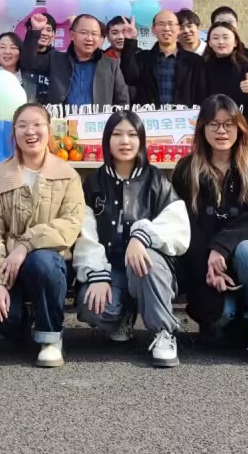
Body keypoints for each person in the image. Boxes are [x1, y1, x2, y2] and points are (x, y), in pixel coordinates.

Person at [172, 95, 248, 363]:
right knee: (221, 315)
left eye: (228, 124)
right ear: (202, 128)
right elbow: (185, 222)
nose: (221, 131)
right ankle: (230, 314)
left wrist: (220, 248)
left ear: (239, 127)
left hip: (245, 249)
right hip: (201, 258)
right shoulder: (187, 169)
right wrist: (209, 262)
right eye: (213, 124)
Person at [74, 111, 189, 367]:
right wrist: (97, 275)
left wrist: (142, 236)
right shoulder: (93, 183)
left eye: (132, 135)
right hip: (111, 268)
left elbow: (178, 227)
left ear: (141, 140)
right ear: (107, 140)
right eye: (117, 134)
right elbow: (85, 235)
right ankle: (123, 313)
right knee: (93, 308)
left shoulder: (157, 180)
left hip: (148, 269)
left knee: (146, 261)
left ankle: (163, 332)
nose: (124, 141)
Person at [0, 103, 85, 368]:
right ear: (14, 132)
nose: (30, 131)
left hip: (51, 266)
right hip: (8, 268)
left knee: (42, 261)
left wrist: (25, 245)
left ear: (49, 129)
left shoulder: (67, 175)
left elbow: (70, 224)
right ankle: (27, 324)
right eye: (22, 125)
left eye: (37, 124)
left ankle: (50, 337)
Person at [20, 13, 130, 109]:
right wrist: (35, 31)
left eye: (94, 34)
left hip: (98, 124)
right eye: (84, 32)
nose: (89, 38)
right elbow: (28, 64)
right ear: (72, 35)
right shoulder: (55, 59)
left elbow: (123, 102)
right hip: (61, 124)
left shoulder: (111, 65)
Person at [200, 23, 248, 165]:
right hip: (214, 134)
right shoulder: (203, 68)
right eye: (215, 38)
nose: (220, 42)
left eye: (225, 37)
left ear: (235, 42)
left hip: (246, 136)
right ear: (209, 43)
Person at [119, 10, 206, 107]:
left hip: (185, 115)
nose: (166, 28)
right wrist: (130, 41)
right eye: (161, 24)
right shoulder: (142, 58)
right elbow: (129, 78)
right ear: (153, 30)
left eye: (170, 24)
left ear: (178, 29)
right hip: (151, 115)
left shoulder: (195, 61)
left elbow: (201, 94)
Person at [0, 31, 38, 101]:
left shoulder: (30, 80)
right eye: (2, 47)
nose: (7, 51)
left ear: (21, 52)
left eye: (13, 47)